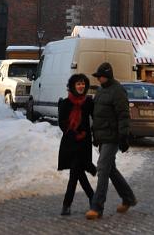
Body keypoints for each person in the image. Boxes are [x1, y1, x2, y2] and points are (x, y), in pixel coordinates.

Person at [85, 62, 137, 220]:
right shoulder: (100, 91)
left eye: (100, 76)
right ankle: (128, 198)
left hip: (113, 137)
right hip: (103, 137)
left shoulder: (118, 91)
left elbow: (123, 115)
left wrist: (123, 136)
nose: (98, 79)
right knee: (110, 169)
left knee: (102, 167)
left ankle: (97, 207)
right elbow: (97, 114)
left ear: (107, 76)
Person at [57, 73, 97, 216]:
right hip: (70, 143)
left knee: (76, 172)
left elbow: (96, 118)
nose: (81, 86)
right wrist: (72, 133)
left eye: (83, 84)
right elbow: (62, 122)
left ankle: (68, 205)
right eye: (78, 84)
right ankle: (91, 199)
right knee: (76, 172)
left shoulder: (88, 102)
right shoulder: (66, 103)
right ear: (73, 86)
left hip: (84, 143)